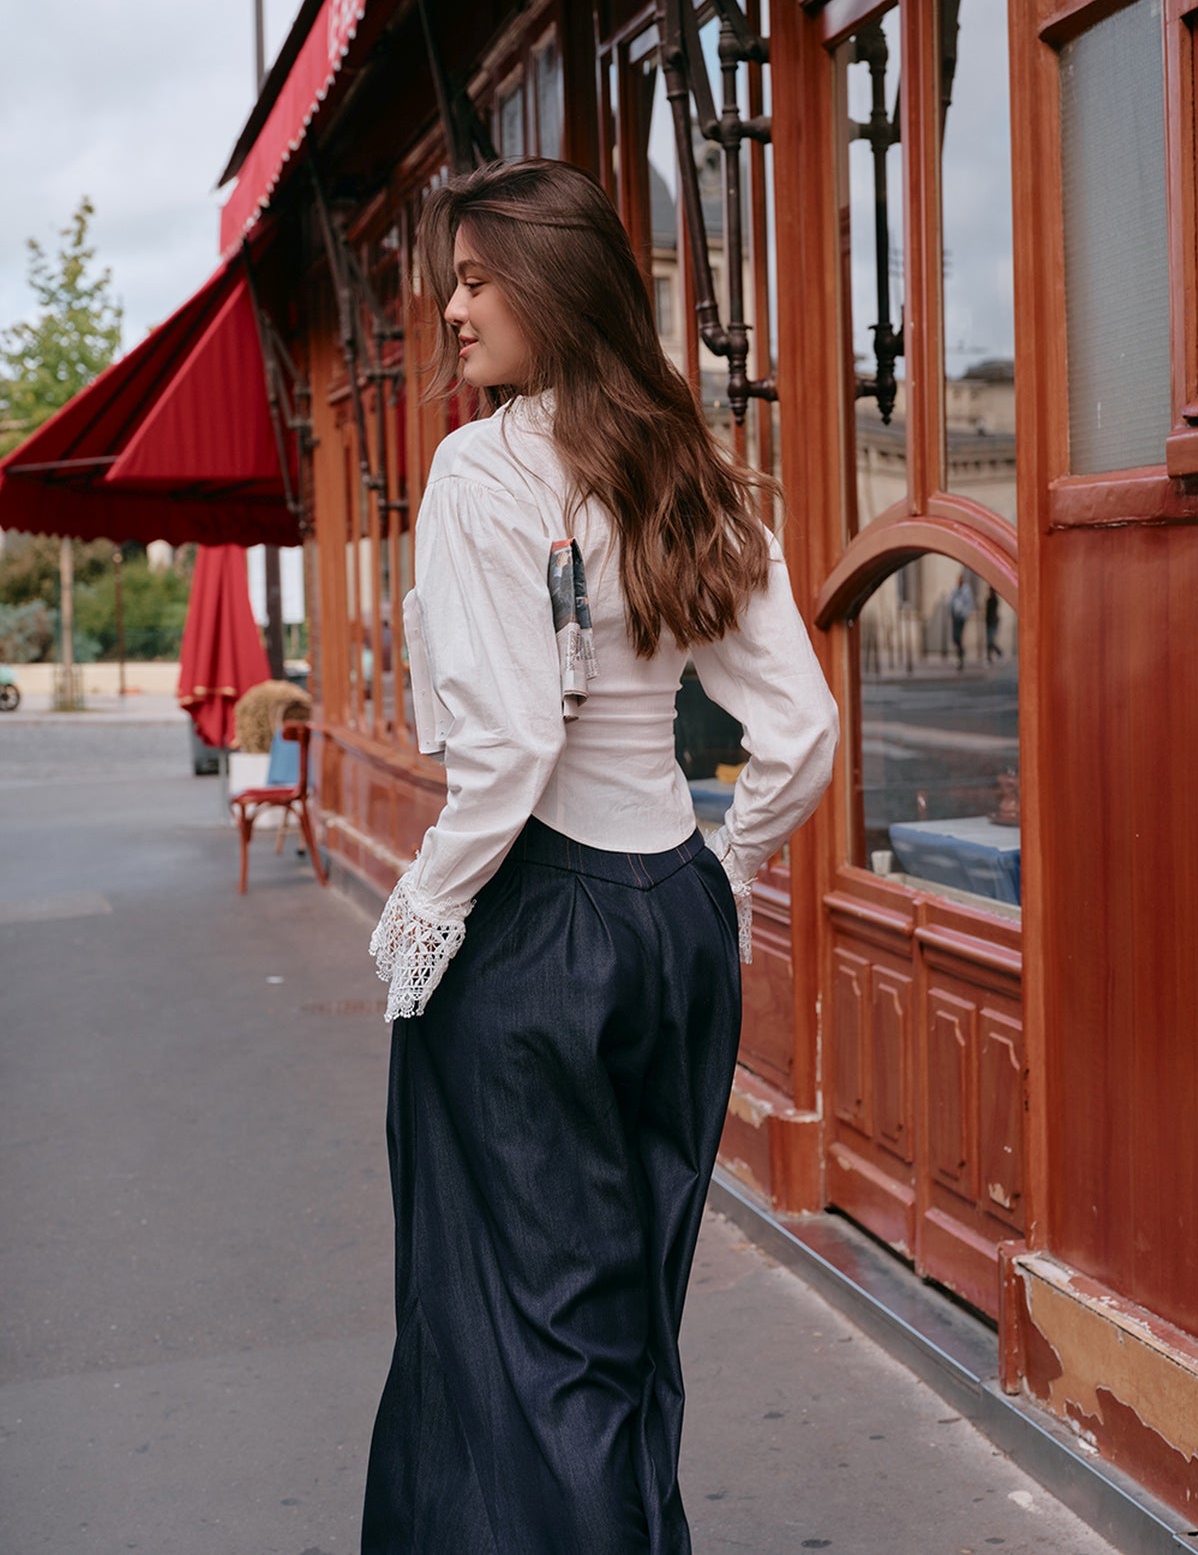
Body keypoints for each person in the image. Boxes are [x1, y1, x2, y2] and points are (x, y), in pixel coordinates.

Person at [361, 158, 839, 1555]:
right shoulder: (684, 462)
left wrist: (424, 907)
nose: (453, 310)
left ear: (554, 286)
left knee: (510, 1331)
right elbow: (802, 730)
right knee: (628, 1327)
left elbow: (510, 747)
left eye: (475, 279)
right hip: (671, 909)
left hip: (534, 923)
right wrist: (724, 873)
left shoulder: (483, 467)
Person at [950, 570, 975, 670]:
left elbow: (969, 603)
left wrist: (965, 614)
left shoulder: (966, 590)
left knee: (958, 636)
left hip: (961, 616)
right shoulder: (955, 590)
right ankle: (961, 653)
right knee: (955, 637)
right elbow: (951, 602)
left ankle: (960, 657)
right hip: (955, 616)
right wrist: (951, 613)